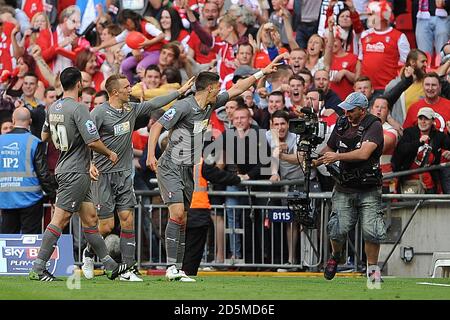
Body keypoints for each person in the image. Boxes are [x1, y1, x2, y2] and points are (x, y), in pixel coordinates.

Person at [146, 54, 286, 281]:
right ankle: (171, 267)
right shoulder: (184, 106)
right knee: (178, 213)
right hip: (170, 164)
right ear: (209, 88)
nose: (220, 90)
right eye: (217, 86)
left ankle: (178, 268)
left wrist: (263, 71)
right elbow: (156, 127)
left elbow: (238, 88)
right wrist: (151, 154)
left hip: (187, 167)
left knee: (183, 219)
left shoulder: (210, 104)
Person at [81, 74, 194, 282]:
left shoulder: (131, 109)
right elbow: (84, 140)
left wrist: (178, 93)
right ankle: (89, 252)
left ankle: (128, 268)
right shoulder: (98, 113)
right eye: (126, 86)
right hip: (103, 175)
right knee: (105, 226)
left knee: (128, 220)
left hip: (124, 174)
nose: (130, 89)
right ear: (115, 92)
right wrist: (89, 164)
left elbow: (153, 103)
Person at [29, 67, 127, 281]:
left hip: (70, 168)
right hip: (75, 171)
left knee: (90, 219)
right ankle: (38, 267)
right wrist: (110, 152)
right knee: (60, 219)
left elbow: (44, 135)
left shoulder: (53, 106)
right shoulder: (79, 108)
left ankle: (110, 265)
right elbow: (92, 140)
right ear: (79, 84)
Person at [314, 91, 386, 282]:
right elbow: (329, 148)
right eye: (345, 109)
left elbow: (364, 153)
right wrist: (316, 159)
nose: (346, 113)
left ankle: (373, 274)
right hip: (344, 187)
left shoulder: (374, 125)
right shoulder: (341, 123)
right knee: (337, 229)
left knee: (372, 231)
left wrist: (336, 157)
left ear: (362, 110)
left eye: (351, 110)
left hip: (368, 188)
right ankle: (336, 256)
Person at [0, 107, 57, 234]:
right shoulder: (34, 142)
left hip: (6, 198)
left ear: (13, 120)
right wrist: (53, 196)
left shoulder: (1, 141)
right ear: (30, 121)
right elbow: (43, 174)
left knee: (7, 241)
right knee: (30, 241)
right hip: (31, 199)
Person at [392, 107, 450, 194]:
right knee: (409, 206)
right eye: (420, 118)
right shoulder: (409, 132)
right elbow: (400, 150)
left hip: (429, 183)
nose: (423, 122)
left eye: (426, 119)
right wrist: (418, 142)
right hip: (409, 181)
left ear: (433, 121)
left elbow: (448, 145)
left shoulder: (438, 135)